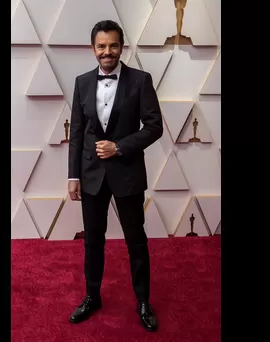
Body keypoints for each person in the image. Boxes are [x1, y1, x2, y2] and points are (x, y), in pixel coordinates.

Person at [67, 20, 163, 332]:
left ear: (122, 47)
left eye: (113, 45)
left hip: (127, 174)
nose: (107, 52)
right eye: (101, 46)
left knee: (136, 241)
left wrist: (119, 147)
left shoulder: (140, 80)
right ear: (93, 48)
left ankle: (144, 301)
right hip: (91, 175)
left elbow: (154, 126)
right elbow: (78, 134)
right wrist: (73, 176)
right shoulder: (81, 82)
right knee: (92, 242)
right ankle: (92, 296)